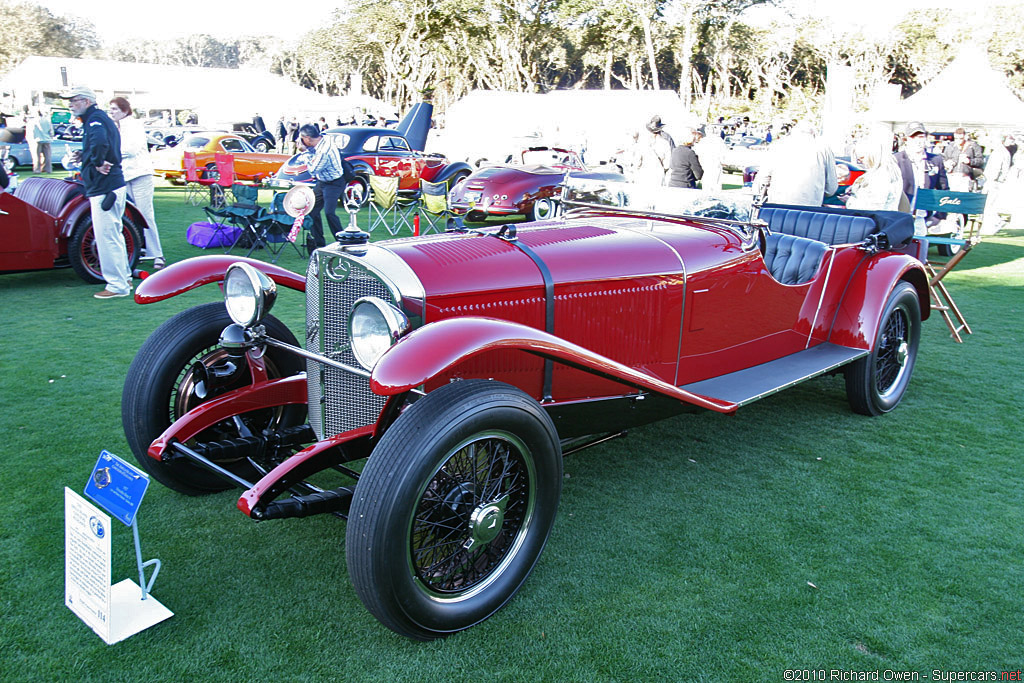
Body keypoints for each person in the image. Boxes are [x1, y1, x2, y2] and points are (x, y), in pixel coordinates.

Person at [63, 85, 132, 299]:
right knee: (114, 234)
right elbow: (100, 143)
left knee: (106, 236)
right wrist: (85, 156)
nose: (70, 105)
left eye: (73, 100)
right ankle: (124, 277)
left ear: (86, 101)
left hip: (105, 187)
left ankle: (117, 285)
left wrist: (97, 161)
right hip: (110, 185)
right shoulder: (99, 119)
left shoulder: (95, 120)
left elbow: (100, 142)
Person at [108, 96, 165, 270]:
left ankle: (157, 255)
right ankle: (139, 249)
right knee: (130, 215)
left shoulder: (134, 125)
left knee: (146, 215)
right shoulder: (116, 127)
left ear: (125, 110)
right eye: (110, 109)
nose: (112, 113)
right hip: (124, 176)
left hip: (141, 175)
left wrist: (110, 153)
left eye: (115, 109)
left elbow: (130, 150)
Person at [754, 120, 838, 207]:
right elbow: (831, 188)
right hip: (810, 208)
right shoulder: (824, 149)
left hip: (778, 206)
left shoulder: (778, 145)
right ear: (813, 134)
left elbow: (762, 179)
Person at [298, 124, 352, 255]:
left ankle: (343, 243)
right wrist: (308, 150)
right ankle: (319, 243)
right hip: (323, 182)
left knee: (329, 213)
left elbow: (313, 170)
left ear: (307, 138)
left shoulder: (324, 152)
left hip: (335, 183)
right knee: (311, 210)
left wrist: (303, 152)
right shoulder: (324, 139)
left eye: (301, 138)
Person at [894, 121, 948, 221]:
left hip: (922, 218)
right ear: (906, 139)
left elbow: (943, 190)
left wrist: (939, 217)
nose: (918, 141)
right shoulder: (896, 159)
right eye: (913, 137)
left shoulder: (936, 160)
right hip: (898, 216)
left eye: (921, 137)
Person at [844, 135, 905, 211]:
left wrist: (850, 200)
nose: (862, 162)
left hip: (875, 219)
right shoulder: (889, 169)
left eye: (862, 158)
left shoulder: (881, 175)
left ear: (872, 154)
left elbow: (873, 206)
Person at [942, 127, 984, 191]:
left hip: (966, 178)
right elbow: (943, 159)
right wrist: (946, 163)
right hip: (951, 177)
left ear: (965, 137)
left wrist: (970, 161)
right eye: (956, 138)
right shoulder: (950, 146)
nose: (958, 140)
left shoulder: (973, 146)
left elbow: (981, 161)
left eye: (961, 138)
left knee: (964, 198)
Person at [634, 116, 673, 186]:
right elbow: (667, 164)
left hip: (644, 172)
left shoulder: (642, 143)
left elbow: (637, 162)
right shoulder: (665, 143)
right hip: (658, 174)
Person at [27, 109, 54, 173]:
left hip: (36, 140)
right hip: (47, 140)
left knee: (36, 156)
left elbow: (30, 131)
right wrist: (50, 137)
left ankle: (37, 170)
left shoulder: (31, 121)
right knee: (47, 156)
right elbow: (51, 131)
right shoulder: (47, 120)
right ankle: (48, 169)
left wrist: (29, 139)